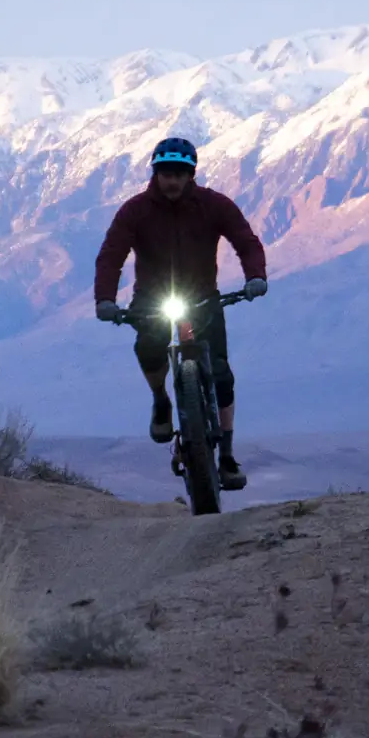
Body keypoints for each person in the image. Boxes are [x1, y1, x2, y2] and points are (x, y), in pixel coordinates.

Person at [93, 137, 268, 491]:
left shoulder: (213, 205)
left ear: (192, 174)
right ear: (155, 174)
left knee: (220, 372)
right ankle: (161, 400)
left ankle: (228, 455)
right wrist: (105, 299)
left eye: (179, 173)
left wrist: (256, 277)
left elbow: (245, 240)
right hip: (151, 298)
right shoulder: (135, 210)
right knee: (149, 347)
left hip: (202, 297)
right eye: (165, 173)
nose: (171, 180)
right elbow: (111, 255)